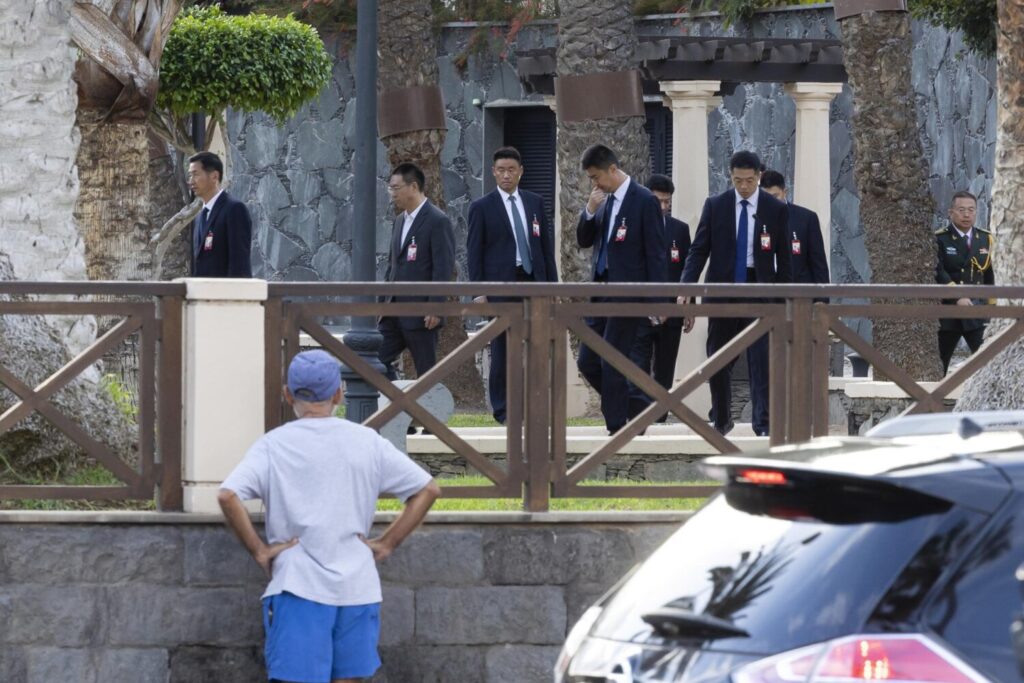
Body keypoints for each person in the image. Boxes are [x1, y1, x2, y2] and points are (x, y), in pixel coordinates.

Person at [218, 349, 440, 683]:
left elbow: (228, 494)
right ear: (339, 394)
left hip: (298, 586)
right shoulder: (367, 442)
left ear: (288, 394)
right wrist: (387, 543)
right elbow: (427, 490)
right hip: (358, 587)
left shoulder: (274, 445)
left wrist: (259, 550)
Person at [678, 151, 791, 437]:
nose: (744, 186)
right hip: (722, 288)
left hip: (759, 288)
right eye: (738, 180)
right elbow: (699, 250)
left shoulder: (774, 208)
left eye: (750, 181)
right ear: (731, 176)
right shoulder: (716, 206)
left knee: (760, 359)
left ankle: (763, 423)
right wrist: (687, 289)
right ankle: (722, 418)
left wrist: (787, 297)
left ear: (759, 177)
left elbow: (785, 258)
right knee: (718, 356)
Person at [576, 144, 666, 433]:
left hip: (627, 294)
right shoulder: (604, 201)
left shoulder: (643, 201)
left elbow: (656, 253)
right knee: (588, 361)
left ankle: (618, 429)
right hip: (599, 293)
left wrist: (658, 300)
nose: (594, 183)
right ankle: (640, 407)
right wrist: (589, 210)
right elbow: (584, 240)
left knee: (613, 361)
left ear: (612, 169)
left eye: (596, 176)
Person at [467, 146, 558, 424]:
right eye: (501, 170)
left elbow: (545, 247)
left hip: (533, 282)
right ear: (494, 172)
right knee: (503, 348)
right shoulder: (481, 207)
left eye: (511, 170)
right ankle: (504, 409)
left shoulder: (534, 202)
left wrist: (552, 287)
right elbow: (474, 252)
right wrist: (479, 291)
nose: (506, 175)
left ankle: (536, 404)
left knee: (538, 344)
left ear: (520, 172)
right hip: (501, 286)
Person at [379, 163, 456, 380]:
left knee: (426, 373)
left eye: (395, 188)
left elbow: (443, 268)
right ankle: (397, 402)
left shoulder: (437, 220)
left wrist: (435, 307)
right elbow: (392, 265)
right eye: (390, 188)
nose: (391, 193)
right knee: (375, 360)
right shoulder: (399, 221)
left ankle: (425, 414)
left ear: (413, 187)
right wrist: (383, 301)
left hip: (422, 315)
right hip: (392, 312)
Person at [628, 173, 691, 422]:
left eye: (667, 202)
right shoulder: (634, 226)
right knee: (639, 365)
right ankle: (641, 416)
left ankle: (661, 418)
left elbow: (687, 270)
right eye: (658, 201)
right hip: (641, 310)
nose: (663, 207)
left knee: (665, 367)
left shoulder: (680, 229)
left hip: (672, 312)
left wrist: (688, 307)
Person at [935, 191, 995, 374]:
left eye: (971, 210)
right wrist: (957, 296)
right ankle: (933, 401)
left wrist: (993, 305)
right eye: (961, 210)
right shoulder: (940, 238)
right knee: (940, 362)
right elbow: (938, 271)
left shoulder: (985, 238)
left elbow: (989, 274)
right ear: (950, 212)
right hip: (949, 310)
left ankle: (985, 401)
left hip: (976, 309)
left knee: (987, 361)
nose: (966, 214)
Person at [760, 170, 829, 287]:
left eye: (775, 196)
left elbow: (818, 264)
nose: (770, 202)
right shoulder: (755, 218)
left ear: (784, 192)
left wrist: (822, 299)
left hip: (799, 293)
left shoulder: (806, 218)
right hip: (765, 294)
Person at [189, 151, 253, 277]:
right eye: (190, 175)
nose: (191, 181)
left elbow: (239, 264)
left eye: (195, 175)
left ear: (214, 176)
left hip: (226, 294)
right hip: (203, 294)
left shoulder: (234, 209)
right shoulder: (200, 216)